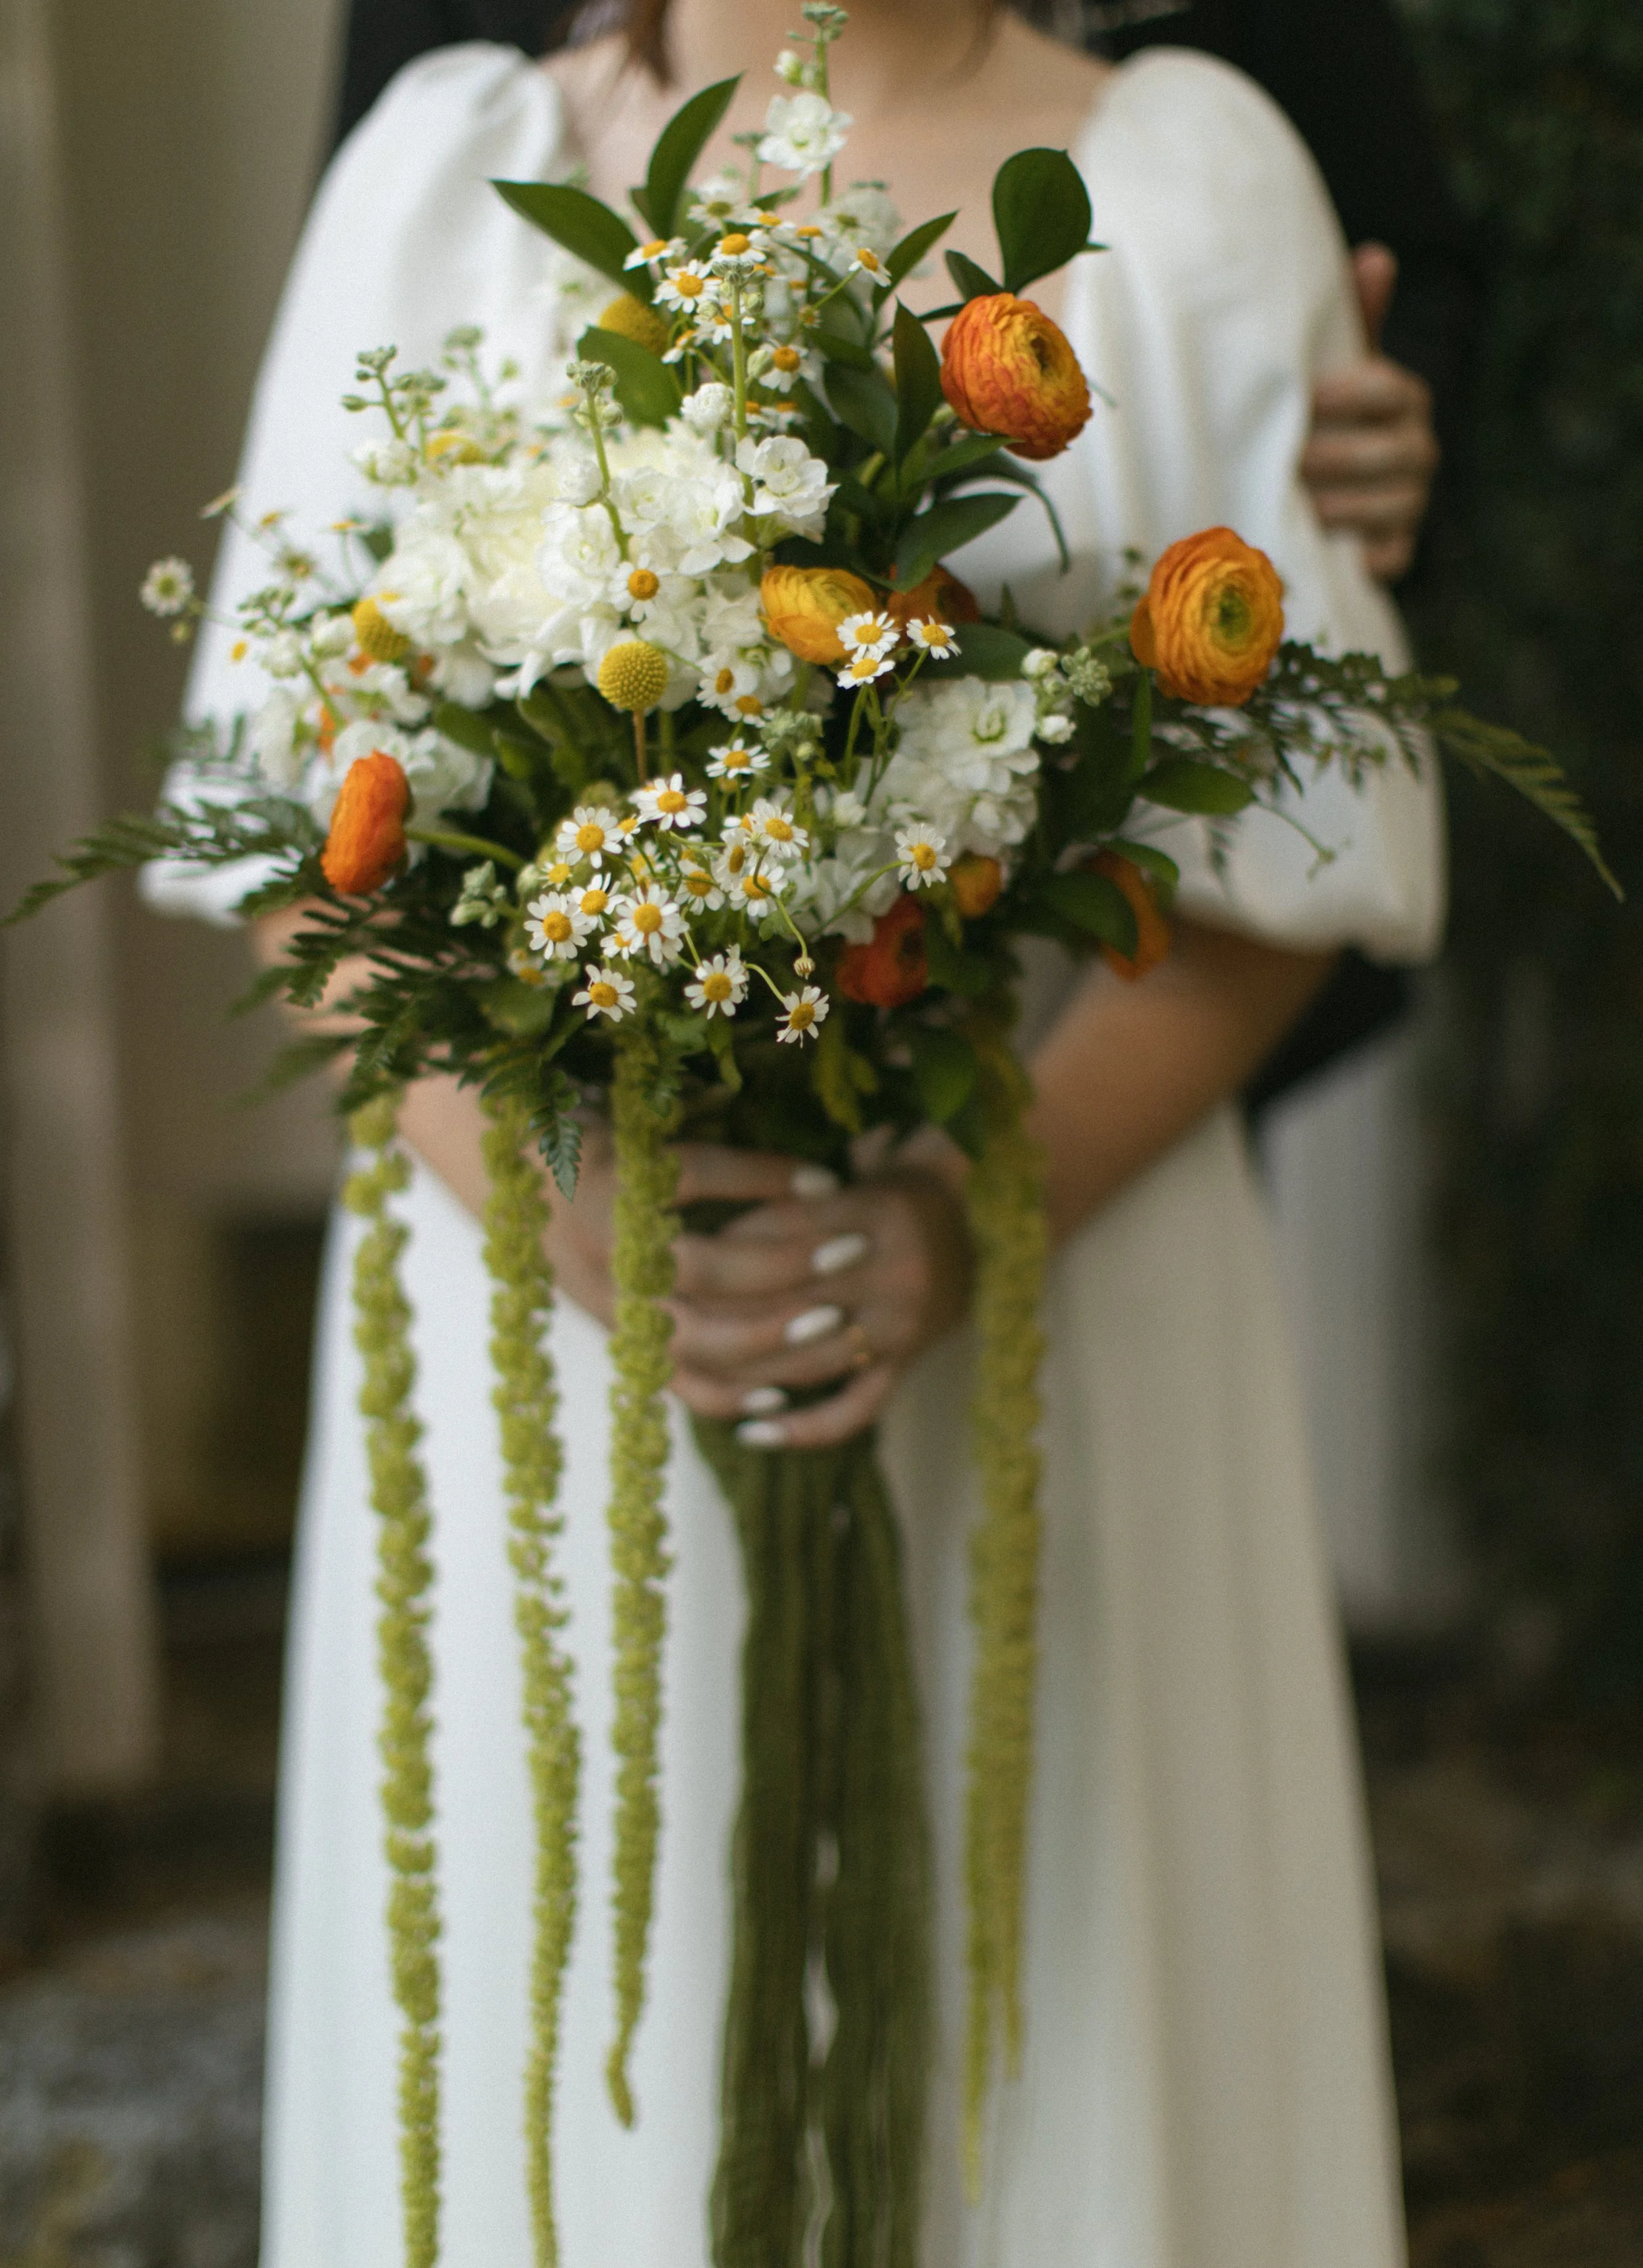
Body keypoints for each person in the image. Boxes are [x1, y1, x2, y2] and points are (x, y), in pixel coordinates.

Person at [150, 0, 1444, 2259]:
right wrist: (562, 1200)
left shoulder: (1189, 173)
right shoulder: (445, 174)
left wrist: (955, 1218)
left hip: (1058, 1294)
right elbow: (285, 831)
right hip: (553, 1330)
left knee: (1056, 2002)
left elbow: (1299, 869)